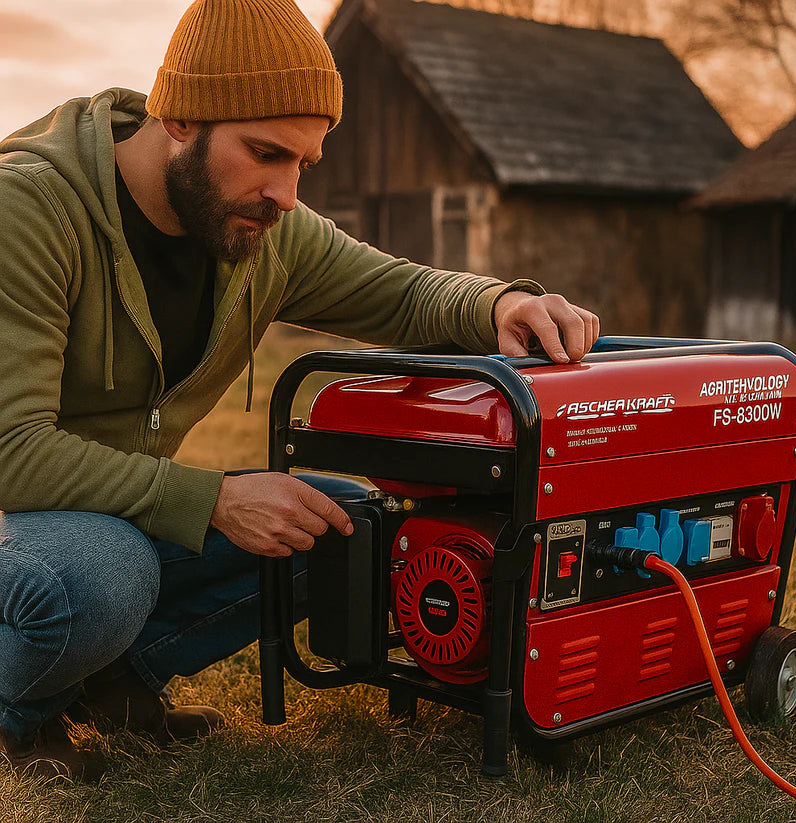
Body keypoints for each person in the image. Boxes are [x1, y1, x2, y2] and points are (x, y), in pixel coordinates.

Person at [0, 0, 599, 780]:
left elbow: (402, 292)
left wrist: (498, 304)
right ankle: (21, 713)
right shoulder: (30, 206)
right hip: (26, 524)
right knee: (103, 575)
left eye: (302, 165)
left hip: (121, 513)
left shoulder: (257, 224)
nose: (285, 194)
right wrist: (217, 499)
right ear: (179, 117)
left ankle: (117, 684)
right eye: (264, 153)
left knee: (344, 523)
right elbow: (12, 453)